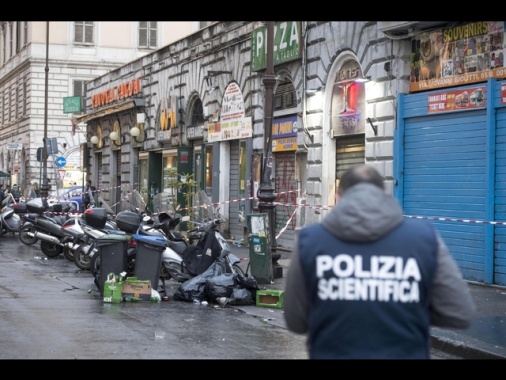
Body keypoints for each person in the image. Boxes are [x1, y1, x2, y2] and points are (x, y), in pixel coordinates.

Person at [283, 164, 476, 359]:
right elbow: (459, 313)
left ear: (338, 198)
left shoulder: (311, 241)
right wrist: (405, 307)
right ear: (384, 194)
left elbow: (295, 321)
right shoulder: (423, 237)